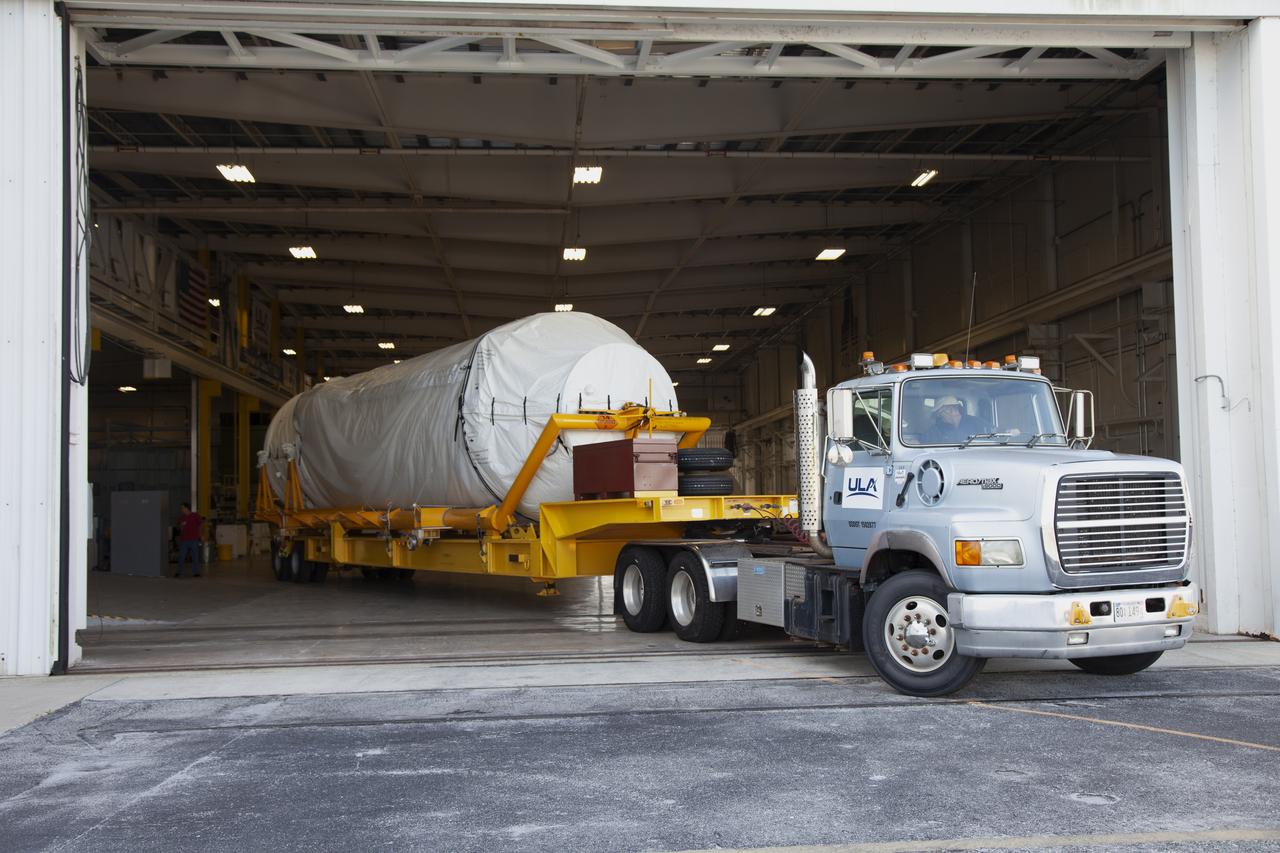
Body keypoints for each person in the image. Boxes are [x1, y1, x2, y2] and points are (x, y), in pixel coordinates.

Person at [923, 394, 990, 444]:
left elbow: (993, 433)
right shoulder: (935, 430)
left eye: (955, 407)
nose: (953, 411)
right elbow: (922, 443)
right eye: (947, 409)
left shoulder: (975, 421)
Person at [176, 502, 204, 578]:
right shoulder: (182, 518)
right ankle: (179, 572)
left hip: (194, 539)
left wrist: (200, 535)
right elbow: (178, 527)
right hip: (184, 540)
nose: (181, 509)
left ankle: (196, 572)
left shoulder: (195, 516)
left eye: (182, 508)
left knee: (195, 556)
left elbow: (201, 524)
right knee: (181, 556)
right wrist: (181, 526)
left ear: (186, 508)